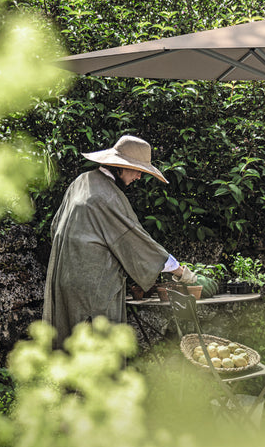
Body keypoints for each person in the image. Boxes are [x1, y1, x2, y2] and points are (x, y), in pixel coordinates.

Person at [42, 134, 196, 348]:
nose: (139, 177)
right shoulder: (108, 197)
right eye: (137, 170)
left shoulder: (82, 182)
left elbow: (55, 227)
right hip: (93, 288)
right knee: (98, 348)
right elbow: (135, 241)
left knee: (70, 345)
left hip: (64, 279)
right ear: (119, 167)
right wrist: (178, 270)